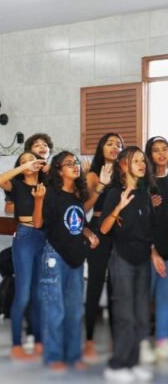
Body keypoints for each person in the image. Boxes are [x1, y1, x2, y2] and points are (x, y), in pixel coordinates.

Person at [33, 151, 102, 372]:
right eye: (69, 163)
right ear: (59, 170)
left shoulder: (77, 195)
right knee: (55, 310)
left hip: (76, 258)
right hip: (55, 256)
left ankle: (73, 355)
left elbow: (75, 223)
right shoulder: (51, 194)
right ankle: (53, 357)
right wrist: (38, 201)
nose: (75, 166)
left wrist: (88, 233)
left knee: (74, 311)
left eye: (76, 163)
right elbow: (37, 224)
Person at [99, 147, 155, 382]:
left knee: (141, 315)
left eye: (143, 160)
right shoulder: (114, 193)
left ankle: (132, 362)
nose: (142, 164)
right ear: (123, 166)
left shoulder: (145, 193)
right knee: (125, 315)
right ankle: (117, 364)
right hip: (122, 259)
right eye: (136, 160)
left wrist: (155, 253)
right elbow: (103, 229)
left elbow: (149, 228)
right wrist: (118, 207)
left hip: (143, 260)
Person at [0, 151, 46, 359]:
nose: (29, 164)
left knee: (38, 295)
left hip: (43, 237)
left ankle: (40, 341)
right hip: (24, 237)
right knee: (23, 294)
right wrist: (24, 167)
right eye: (24, 161)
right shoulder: (16, 186)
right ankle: (16, 344)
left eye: (32, 160)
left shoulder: (46, 186)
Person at [84, 133, 122, 360]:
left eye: (118, 144)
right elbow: (85, 206)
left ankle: (115, 337)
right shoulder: (91, 173)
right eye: (109, 143)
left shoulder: (124, 175)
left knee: (116, 287)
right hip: (97, 229)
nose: (114, 147)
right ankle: (88, 338)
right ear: (101, 147)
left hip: (119, 231)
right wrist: (100, 184)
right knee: (95, 285)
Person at [147, 136, 168, 361]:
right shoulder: (145, 183)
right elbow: (138, 220)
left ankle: (163, 343)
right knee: (143, 300)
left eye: (165, 149)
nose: (161, 154)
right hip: (148, 252)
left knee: (165, 299)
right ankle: (141, 344)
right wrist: (152, 251)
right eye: (156, 150)